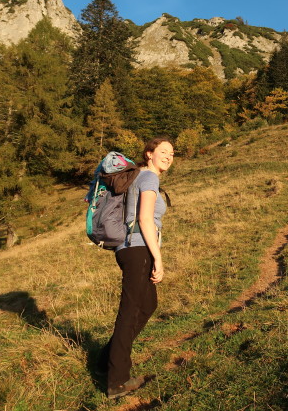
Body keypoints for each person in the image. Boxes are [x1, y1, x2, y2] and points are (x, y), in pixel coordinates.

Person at [97, 137, 174, 399]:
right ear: (149, 154)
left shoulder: (139, 177)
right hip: (139, 249)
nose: (168, 156)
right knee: (129, 311)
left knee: (147, 305)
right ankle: (117, 380)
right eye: (163, 151)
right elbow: (144, 218)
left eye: (172, 153)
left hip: (130, 249)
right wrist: (158, 257)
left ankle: (106, 358)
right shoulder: (149, 178)